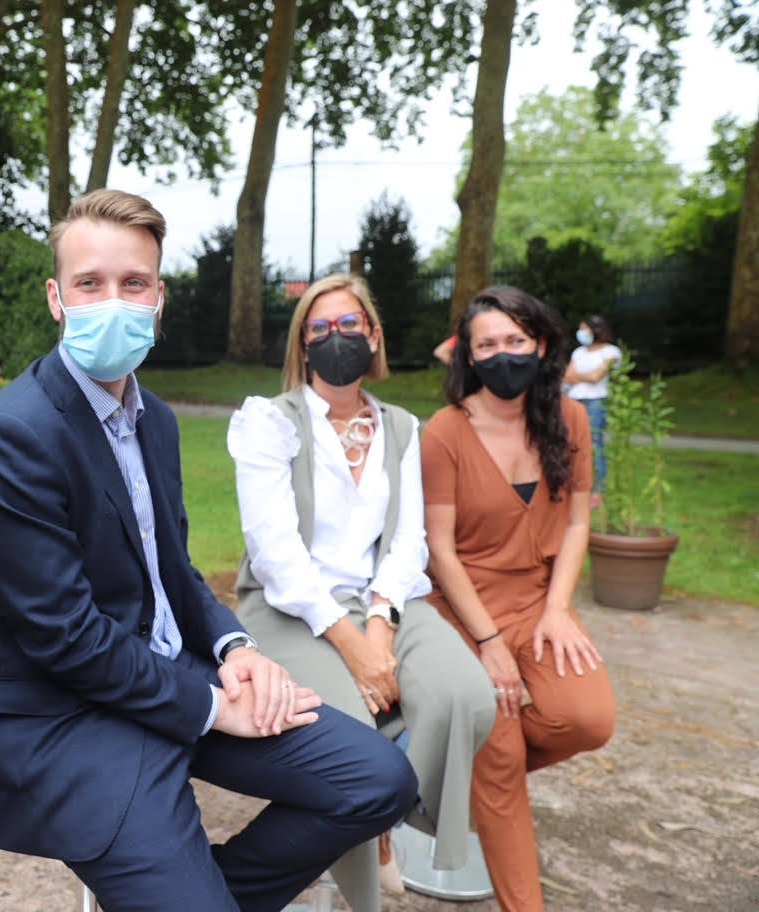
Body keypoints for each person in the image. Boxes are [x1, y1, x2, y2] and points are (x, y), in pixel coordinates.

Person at [0, 190, 418, 912]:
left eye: (134, 284)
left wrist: (236, 649)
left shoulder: (155, 422)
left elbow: (171, 572)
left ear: (159, 298)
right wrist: (208, 705)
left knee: (379, 780)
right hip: (64, 713)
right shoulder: (14, 430)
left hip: (170, 675)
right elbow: (63, 637)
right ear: (57, 298)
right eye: (90, 284)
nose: (114, 300)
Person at [229, 273, 495, 912]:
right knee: (347, 733)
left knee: (467, 696)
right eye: (318, 329)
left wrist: (381, 622)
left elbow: (408, 539)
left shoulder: (404, 426)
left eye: (350, 326)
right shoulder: (269, 421)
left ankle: (384, 817)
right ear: (302, 344)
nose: (335, 338)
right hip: (291, 604)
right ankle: (365, 848)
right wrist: (350, 643)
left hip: (383, 598)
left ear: (374, 338)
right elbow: (275, 553)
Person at [420, 286, 616, 912]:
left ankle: (456, 784)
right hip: (459, 612)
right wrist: (485, 643)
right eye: (488, 344)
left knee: (588, 719)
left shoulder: (570, 418)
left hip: (537, 601)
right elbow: (440, 551)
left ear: (542, 344)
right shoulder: (445, 432)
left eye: (515, 341)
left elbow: (579, 521)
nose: (503, 354)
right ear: (469, 358)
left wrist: (559, 609)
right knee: (499, 755)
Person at [563, 314, 621, 509]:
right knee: (571, 443)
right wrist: (584, 376)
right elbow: (567, 376)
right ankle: (573, 486)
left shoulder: (611, 352)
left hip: (596, 401)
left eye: (584, 328)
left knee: (595, 444)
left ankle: (598, 491)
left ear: (595, 330)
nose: (581, 333)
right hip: (574, 399)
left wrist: (580, 376)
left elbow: (598, 376)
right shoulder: (579, 352)